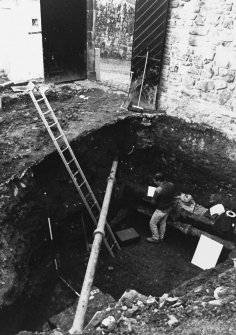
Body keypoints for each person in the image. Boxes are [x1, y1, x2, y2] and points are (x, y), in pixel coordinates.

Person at [146, 173, 175, 244]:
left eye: (155, 181)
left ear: (159, 181)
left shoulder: (158, 189)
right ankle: (161, 238)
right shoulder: (171, 184)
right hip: (168, 208)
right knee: (163, 223)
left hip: (161, 210)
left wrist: (153, 197)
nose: (154, 182)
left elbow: (153, 202)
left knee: (152, 223)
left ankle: (155, 238)